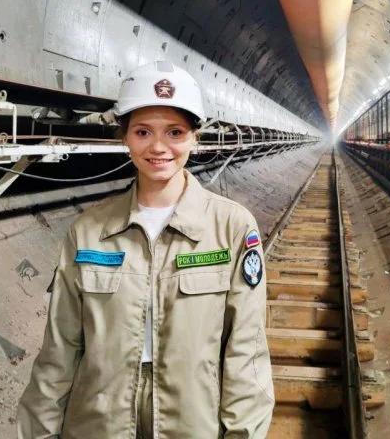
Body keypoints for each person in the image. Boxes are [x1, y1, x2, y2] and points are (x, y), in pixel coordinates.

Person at [17, 61, 274, 438]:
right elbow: (60, 350)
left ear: (195, 137)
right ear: (125, 137)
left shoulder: (231, 228)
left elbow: (246, 353)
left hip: (190, 422)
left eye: (175, 132)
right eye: (142, 132)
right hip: (98, 423)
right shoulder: (89, 231)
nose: (158, 147)